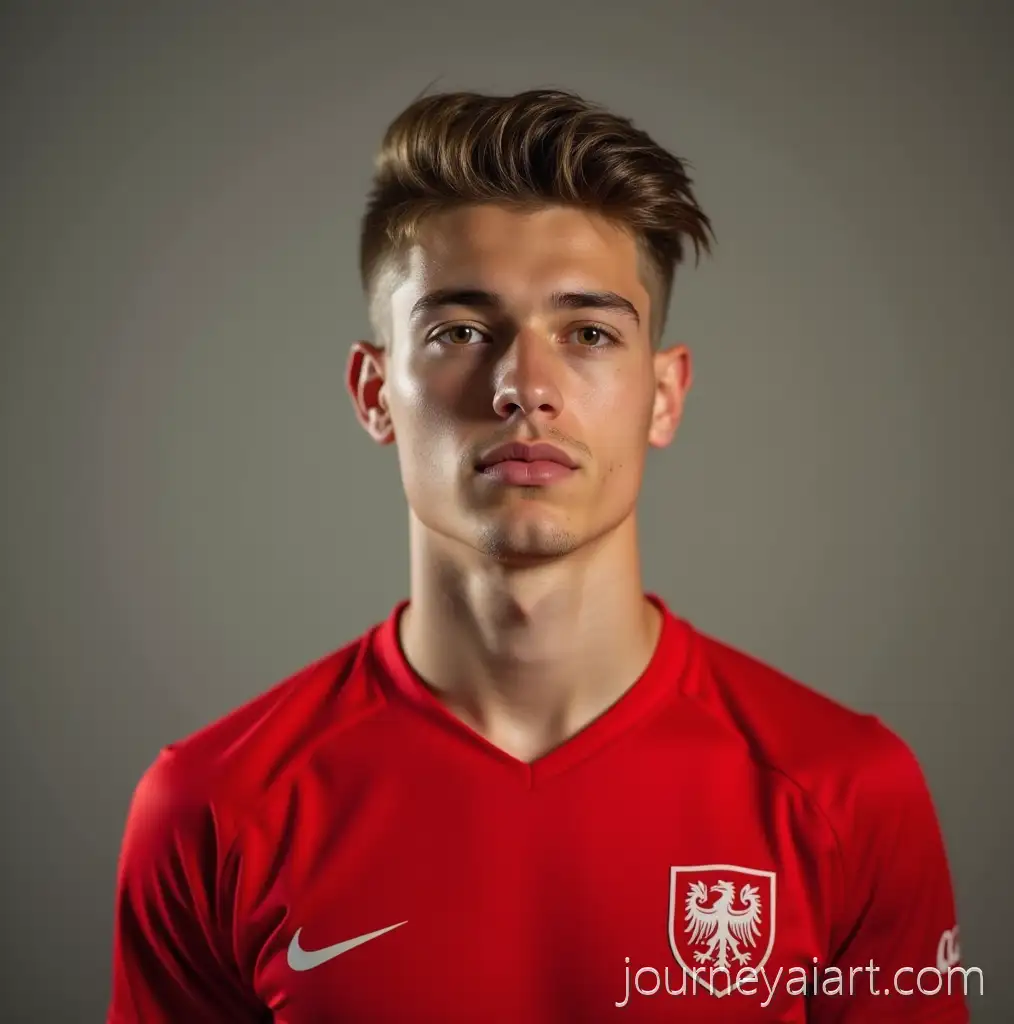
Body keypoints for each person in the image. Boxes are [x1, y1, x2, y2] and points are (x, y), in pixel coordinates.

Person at [106, 88, 970, 1023]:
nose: (524, 386)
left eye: (589, 333)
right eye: (461, 333)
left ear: (664, 394)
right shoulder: (211, 808)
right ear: (374, 393)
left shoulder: (848, 793)